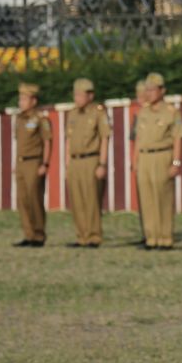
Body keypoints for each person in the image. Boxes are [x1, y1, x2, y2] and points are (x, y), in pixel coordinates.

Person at [134, 73, 182, 250]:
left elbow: (178, 138)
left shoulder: (171, 112)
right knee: (147, 198)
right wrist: (136, 161)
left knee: (163, 197)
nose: (149, 93)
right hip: (145, 157)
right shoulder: (143, 112)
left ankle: (165, 237)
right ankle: (151, 237)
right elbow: (139, 138)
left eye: (153, 89)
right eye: (147, 89)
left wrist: (176, 163)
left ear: (162, 91)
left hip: (163, 155)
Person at [66, 78, 110, 248]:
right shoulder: (72, 114)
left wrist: (102, 164)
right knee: (77, 201)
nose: (76, 98)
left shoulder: (98, 112)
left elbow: (105, 138)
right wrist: (67, 163)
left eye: (80, 95)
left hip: (91, 159)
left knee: (91, 200)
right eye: (75, 94)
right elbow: (68, 140)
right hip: (75, 160)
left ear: (90, 96)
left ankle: (94, 236)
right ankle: (81, 236)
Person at [13, 82, 52, 248]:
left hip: (34, 162)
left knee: (34, 199)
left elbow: (48, 141)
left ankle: (38, 234)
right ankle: (28, 234)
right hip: (21, 162)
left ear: (33, 101)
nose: (20, 102)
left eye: (24, 99)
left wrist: (45, 163)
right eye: (20, 99)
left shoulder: (40, 119)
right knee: (23, 200)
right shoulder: (19, 119)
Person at [129, 78, 148, 245]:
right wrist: (134, 162)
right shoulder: (138, 116)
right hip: (142, 161)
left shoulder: (166, 113)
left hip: (159, 160)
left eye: (143, 94)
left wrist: (175, 164)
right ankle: (146, 233)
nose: (140, 98)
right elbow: (135, 141)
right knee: (143, 200)